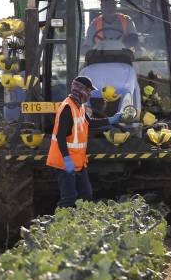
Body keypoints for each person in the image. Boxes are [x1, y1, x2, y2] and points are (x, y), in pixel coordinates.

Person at [46, 76, 122, 208]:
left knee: (86, 194)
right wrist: (66, 159)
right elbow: (60, 136)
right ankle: (61, 219)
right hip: (65, 162)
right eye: (88, 91)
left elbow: (89, 122)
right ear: (80, 90)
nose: (90, 94)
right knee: (69, 198)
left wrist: (110, 120)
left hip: (78, 161)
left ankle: (79, 218)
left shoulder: (79, 106)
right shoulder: (67, 108)